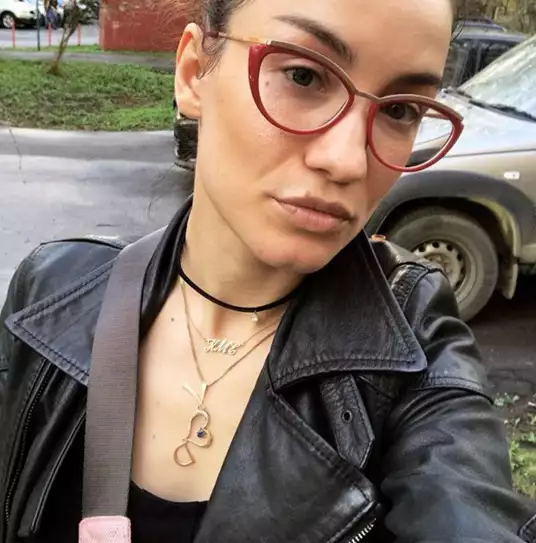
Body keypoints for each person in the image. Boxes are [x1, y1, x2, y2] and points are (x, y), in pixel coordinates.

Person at [0, 0, 535, 541]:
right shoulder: (52, 292)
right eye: (304, 75)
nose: (348, 161)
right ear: (194, 72)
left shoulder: (417, 351)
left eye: (400, 111)